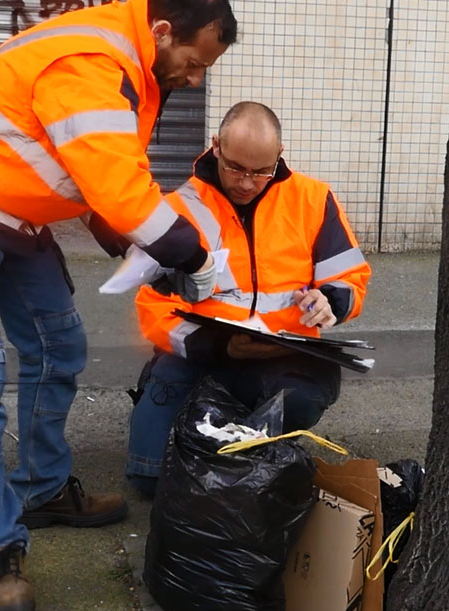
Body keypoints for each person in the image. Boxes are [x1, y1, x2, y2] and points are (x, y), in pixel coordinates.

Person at [0, 0, 238, 611]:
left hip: (12, 210)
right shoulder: (90, 61)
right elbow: (121, 193)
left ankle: (42, 490)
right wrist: (192, 254)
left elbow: (103, 181)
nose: (196, 77)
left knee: (59, 347)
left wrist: (136, 246)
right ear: (161, 31)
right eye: (194, 61)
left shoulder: (131, 64)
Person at [126, 101, 372, 497]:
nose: (245, 182)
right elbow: (151, 308)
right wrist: (216, 345)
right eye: (236, 167)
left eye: (260, 171)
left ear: (280, 157)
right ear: (216, 146)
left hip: (281, 357)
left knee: (295, 409)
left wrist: (331, 302)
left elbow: (348, 279)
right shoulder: (177, 210)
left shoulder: (314, 200)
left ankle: (234, 445)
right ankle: (209, 430)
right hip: (202, 356)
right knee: (149, 481)